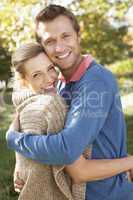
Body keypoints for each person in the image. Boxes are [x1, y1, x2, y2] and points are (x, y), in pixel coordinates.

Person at [6, 4, 133, 200]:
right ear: (42, 47)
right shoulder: (57, 84)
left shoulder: (95, 82)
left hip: (106, 194)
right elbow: (30, 116)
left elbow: (67, 151)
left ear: (78, 36)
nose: (59, 47)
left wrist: (15, 140)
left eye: (66, 36)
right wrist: (21, 163)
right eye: (50, 41)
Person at [10, 42, 89, 200]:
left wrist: (18, 159)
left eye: (50, 68)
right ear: (23, 81)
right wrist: (127, 163)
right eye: (36, 75)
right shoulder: (50, 105)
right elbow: (80, 170)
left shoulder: (25, 104)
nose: (49, 79)